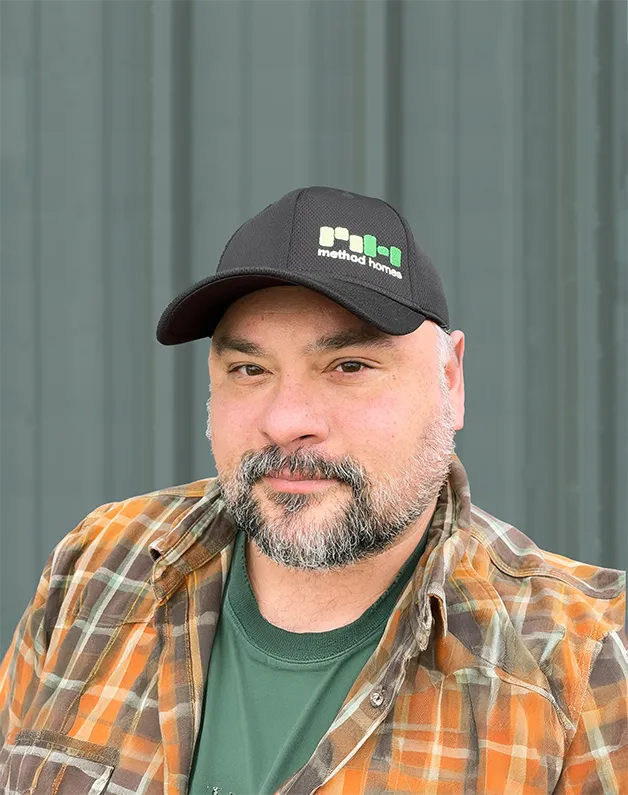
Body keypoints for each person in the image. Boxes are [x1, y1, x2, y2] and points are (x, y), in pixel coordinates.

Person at [0, 187, 625, 795]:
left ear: (451, 381)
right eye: (250, 370)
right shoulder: (99, 566)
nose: (285, 418)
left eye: (348, 366)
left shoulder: (587, 662)